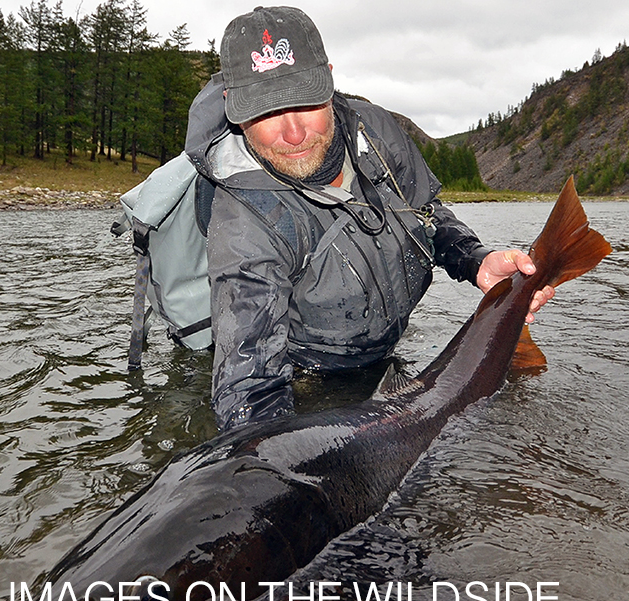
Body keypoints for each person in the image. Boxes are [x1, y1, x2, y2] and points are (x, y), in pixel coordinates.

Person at [185, 6, 554, 431]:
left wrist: (475, 259)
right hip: (311, 376)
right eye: (267, 112)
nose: (293, 133)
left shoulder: (374, 131)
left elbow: (425, 213)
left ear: (329, 80)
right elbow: (249, 391)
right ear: (233, 107)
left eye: (305, 102)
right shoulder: (242, 222)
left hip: (386, 352)